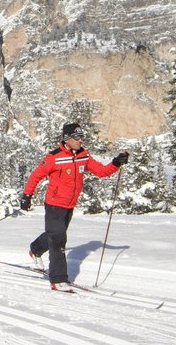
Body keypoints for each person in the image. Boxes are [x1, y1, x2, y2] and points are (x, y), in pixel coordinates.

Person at [21, 123, 129, 292]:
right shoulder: (54, 157)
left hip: (69, 205)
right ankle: (58, 279)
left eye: (81, 137)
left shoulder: (83, 155)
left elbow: (101, 171)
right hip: (54, 205)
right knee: (58, 240)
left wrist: (116, 162)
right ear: (67, 139)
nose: (81, 140)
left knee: (55, 234)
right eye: (77, 137)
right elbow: (36, 176)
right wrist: (27, 196)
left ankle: (35, 249)